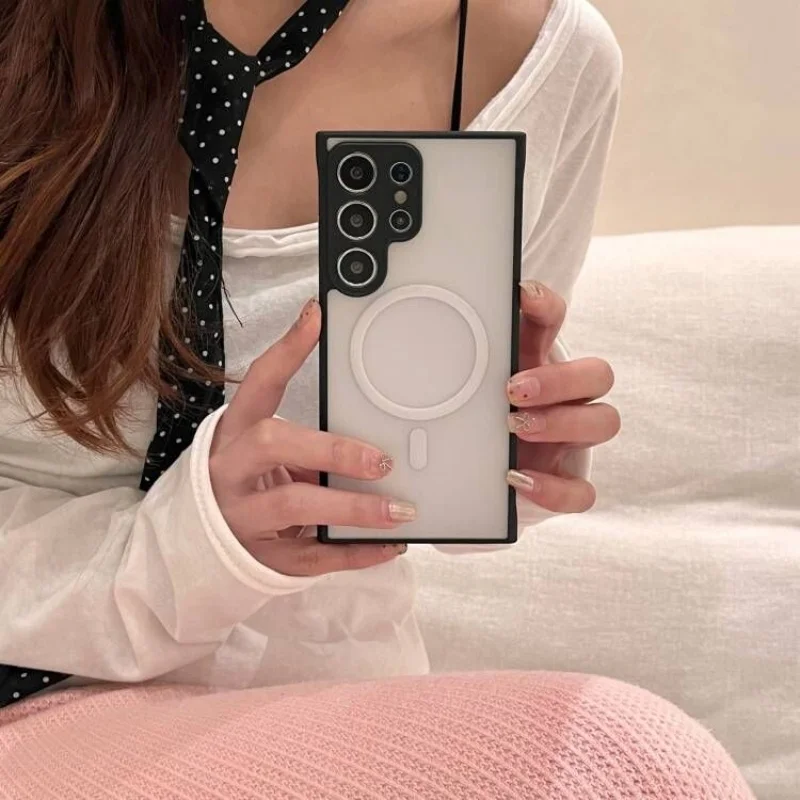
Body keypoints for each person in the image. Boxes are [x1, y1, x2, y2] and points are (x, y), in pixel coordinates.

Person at [0, 0, 754, 797]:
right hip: (34, 682)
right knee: (628, 763)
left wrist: (500, 450)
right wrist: (188, 549)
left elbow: (425, 469)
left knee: (621, 763)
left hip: (322, 698)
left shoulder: (544, 57)